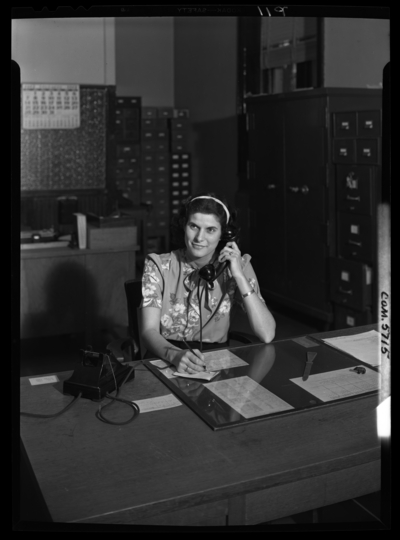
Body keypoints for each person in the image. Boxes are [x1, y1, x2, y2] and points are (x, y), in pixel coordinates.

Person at [140, 193, 276, 373]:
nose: (199, 238)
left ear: (224, 234)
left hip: (215, 360)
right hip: (165, 355)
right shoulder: (158, 265)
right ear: (184, 226)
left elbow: (267, 334)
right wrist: (175, 355)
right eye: (194, 226)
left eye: (210, 230)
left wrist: (239, 275)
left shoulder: (238, 265)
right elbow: (148, 331)